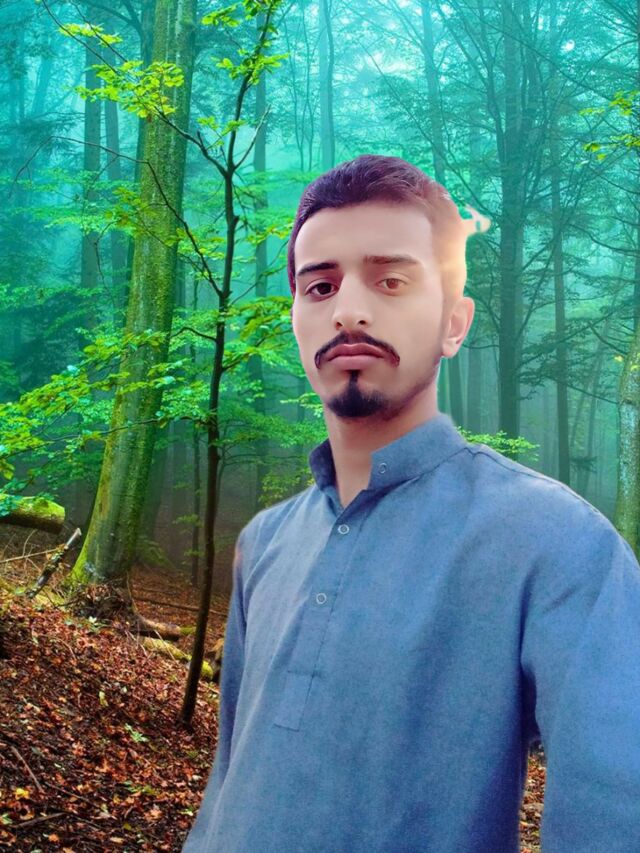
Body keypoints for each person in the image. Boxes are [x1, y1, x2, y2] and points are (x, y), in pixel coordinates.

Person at [182, 155, 640, 852]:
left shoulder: (560, 543)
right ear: (297, 319)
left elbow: (617, 807)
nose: (348, 310)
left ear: (454, 323)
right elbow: (229, 775)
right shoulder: (265, 541)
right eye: (320, 285)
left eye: (390, 280)